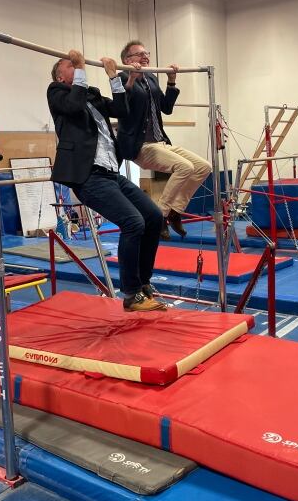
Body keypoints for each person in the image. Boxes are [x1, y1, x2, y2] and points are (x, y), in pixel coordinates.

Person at [48, 49, 166, 312]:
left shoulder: (89, 92)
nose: (77, 67)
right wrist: (80, 68)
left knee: (154, 217)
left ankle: (143, 283)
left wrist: (118, 78)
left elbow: (121, 109)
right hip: (88, 175)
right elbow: (73, 106)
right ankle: (131, 294)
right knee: (133, 222)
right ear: (61, 75)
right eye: (71, 66)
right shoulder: (56, 92)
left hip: (111, 171)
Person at [117, 40, 212, 240]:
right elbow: (121, 107)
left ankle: (176, 211)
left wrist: (171, 80)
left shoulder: (151, 77)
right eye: (139, 54)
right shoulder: (121, 76)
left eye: (146, 53)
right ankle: (160, 215)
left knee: (204, 167)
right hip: (141, 145)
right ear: (127, 60)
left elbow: (166, 108)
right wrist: (131, 81)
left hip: (161, 142)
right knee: (185, 167)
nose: (145, 56)